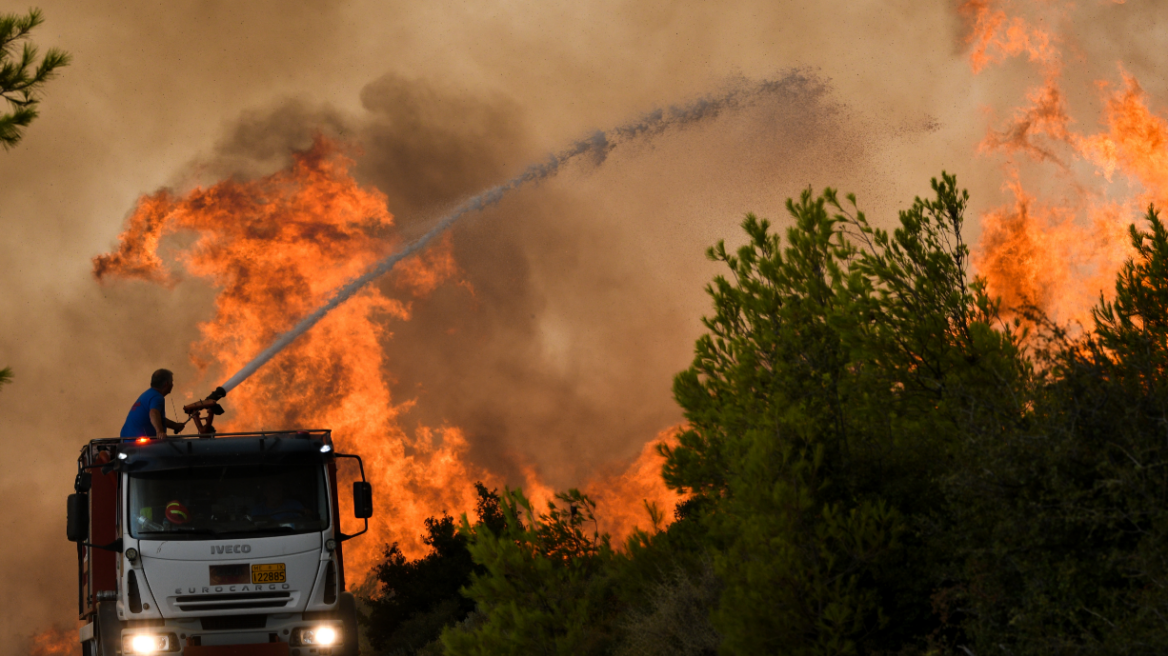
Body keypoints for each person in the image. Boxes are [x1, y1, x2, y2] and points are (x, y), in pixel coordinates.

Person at [120, 369, 186, 441]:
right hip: (137, 444)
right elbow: (154, 413)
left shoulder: (148, 394)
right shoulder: (157, 397)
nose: (172, 384)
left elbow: (157, 417)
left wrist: (175, 426)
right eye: (172, 382)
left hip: (126, 441)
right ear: (166, 384)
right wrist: (160, 432)